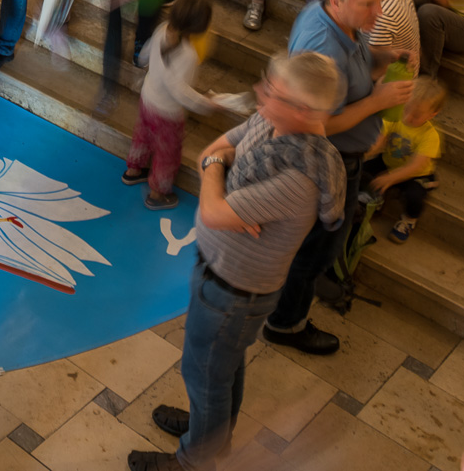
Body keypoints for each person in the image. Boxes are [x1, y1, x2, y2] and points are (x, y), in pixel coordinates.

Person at [130, 52, 347, 471]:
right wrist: (218, 171)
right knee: (220, 369)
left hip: (233, 293)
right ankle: (210, 432)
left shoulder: (300, 178)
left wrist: (218, 185)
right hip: (219, 276)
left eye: (274, 91)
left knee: (205, 375)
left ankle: (194, 461)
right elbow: (209, 153)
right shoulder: (271, 121)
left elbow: (213, 210)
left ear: (303, 110)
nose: (260, 93)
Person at [262, 0, 407, 358]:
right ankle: (286, 323)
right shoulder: (323, 48)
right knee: (316, 249)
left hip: (346, 157)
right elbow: (317, 123)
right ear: (336, 0)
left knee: (318, 244)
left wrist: (384, 58)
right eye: (367, 5)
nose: (378, 13)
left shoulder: (337, 18)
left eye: (379, 1)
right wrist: (376, 102)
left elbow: (357, 58)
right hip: (332, 162)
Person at [125, 0, 228, 209]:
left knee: (142, 135)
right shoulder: (188, 54)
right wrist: (207, 104)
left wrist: (145, 64)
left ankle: (133, 170)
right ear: (200, 28)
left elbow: (144, 55)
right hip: (167, 113)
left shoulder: (162, 30)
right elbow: (180, 91)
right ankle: (157, 194)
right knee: (167, 154)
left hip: (147, 98)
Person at [360, 76, 446, 244]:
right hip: (389, 162)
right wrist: (364, 154)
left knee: (415, 196)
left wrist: (390, 178)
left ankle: (409, 219)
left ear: (433, 114)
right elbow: (378, 142)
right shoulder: (396, 116)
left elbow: (415, 166)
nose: (408, 117)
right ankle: (375, 199)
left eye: (417, 115)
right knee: (363, 170)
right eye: (406, 109)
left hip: (416, 174)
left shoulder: (431, 136)